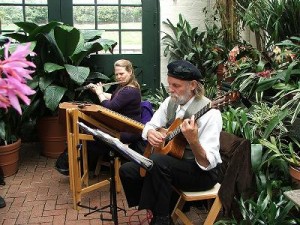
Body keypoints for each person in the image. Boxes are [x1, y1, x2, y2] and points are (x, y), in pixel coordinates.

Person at [119, 60, 223, 225]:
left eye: (176, 85)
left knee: (157, 162)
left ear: (193, 85)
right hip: (173, 163)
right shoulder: (171, 102)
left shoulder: (210, 113)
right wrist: (151, 133)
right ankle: (154, 209)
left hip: (201, 173)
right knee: (128, 170)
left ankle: (163, 219)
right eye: (169, 84)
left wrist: (193, 140)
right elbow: (149, 126)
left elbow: (207, 162)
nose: (171, 89)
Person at [55, 59, 142, 175]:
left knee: (92, 137)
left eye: (121, 74)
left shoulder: (130, 90)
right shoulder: (125, 87)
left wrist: (100, 93)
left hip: (128, 131)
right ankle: (74, 166)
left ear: (130, 71)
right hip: (122, 127)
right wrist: (96, 91)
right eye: (116, 74)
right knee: (89, 133)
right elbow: (115, 97)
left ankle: (72, 167)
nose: (118, 77)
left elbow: (110, 107)